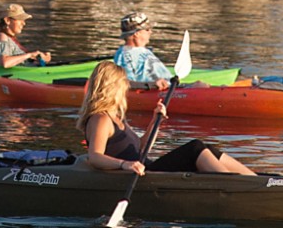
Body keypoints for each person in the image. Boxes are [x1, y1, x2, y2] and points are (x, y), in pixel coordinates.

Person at [77, 61, 254, 176]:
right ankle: (232, 184)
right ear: (112, 87)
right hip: (139, 175)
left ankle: (253, 179)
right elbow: (95, 157)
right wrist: (124, 164)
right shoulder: (100, 119)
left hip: (146, 168)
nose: (126, 87)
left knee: (208, 149)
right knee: (195, 148)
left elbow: (141, 147)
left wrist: (155, 122)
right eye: (123, 83)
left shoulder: (116, 117)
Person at [112, 12, 172, 90]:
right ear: (137, 33)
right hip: (154, 91)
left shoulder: (144, 51)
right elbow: (123, 83)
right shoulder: (126, 54)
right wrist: (151, 85)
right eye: (147, 29)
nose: (150, 32)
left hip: (171, 87)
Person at [0, 3, 53, 69]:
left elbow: (18, 61)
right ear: (7, 20)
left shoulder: (10, 38)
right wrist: (29, 55)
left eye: (23, 20)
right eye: (20, 19)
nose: (23, 23)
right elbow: (5, 63)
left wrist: (40, 57)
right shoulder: (2, 36)